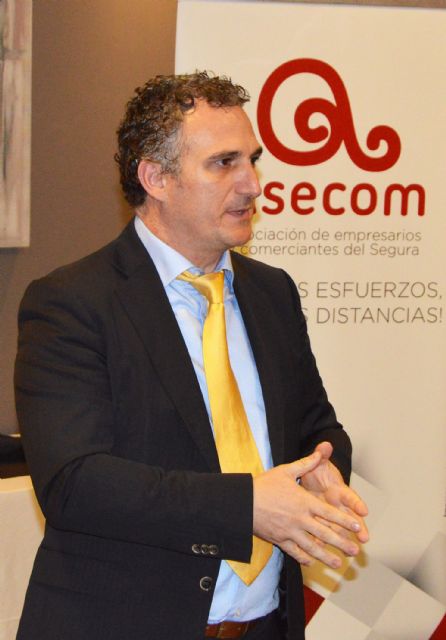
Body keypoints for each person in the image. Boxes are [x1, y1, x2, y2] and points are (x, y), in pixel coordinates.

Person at [15, 72, 368, 640]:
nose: (252, 184)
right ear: (155, 178)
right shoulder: (72, 302)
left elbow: (316, 426)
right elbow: (75, 484)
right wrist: (246, 507)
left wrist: (321, 472)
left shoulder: (272, 292)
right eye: (224, 163)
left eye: (252, 160)